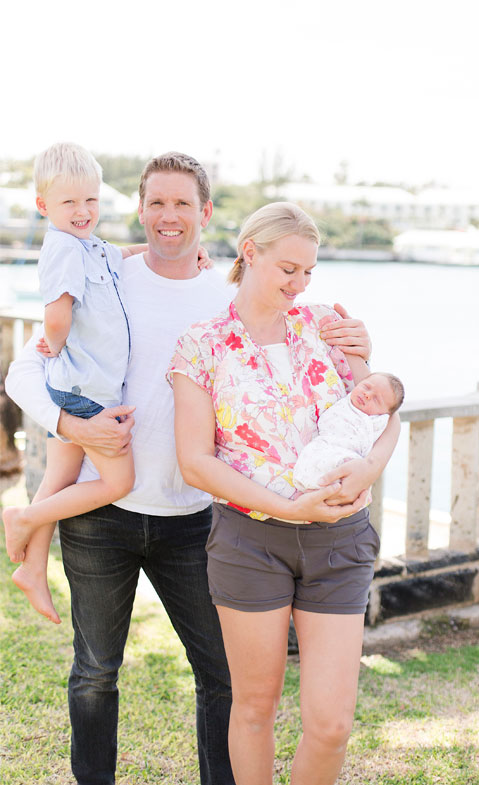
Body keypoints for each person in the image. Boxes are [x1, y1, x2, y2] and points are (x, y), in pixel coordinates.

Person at [4, 153, 371, 785]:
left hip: (198, 520)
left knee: (223, 681)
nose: (168, 216)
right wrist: (69, 425)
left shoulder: (232, 296)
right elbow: (28, 368)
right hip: (103, 508)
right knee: (95, 673)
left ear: (206, 214)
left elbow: (296, 347)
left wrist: (361, 352)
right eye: (156, 203)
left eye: (183, 204)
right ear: (140, 210)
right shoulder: (106, 274)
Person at [169, 201, 400, 785]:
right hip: (250, 543)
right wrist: (288, 507)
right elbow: (195, 462)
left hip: (340, 542)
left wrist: (370, 469)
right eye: (288, 269)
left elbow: (382, 412)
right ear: (250, 253)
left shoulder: (326, 325)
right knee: (253, 708)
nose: (299, 285)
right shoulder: (201, 345)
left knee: (331, 725)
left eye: (308, 273)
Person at [2, 142, 209, 626]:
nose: (82, 211)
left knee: (57, 481)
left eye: (90, 201)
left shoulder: (94, 249)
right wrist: (55, 351)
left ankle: (32, 568)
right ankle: (24, 520)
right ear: (43, 206)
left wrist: (189, 253)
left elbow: (122, 253)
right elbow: (54, 321)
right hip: (85, 394)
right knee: (118, 481)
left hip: (82, 388)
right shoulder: (64, 250)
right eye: (70, 202)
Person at [293, 370, 405, 491]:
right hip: (327, 443)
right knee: (311, 454)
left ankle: (324, 486)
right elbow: (326, 422)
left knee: (347, 464)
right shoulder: (343, 403)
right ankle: (309, 483)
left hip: (349, 451)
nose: (368, 395)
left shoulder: (376, 421)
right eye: (366, 387)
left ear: (383, 414)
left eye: (376, 400)